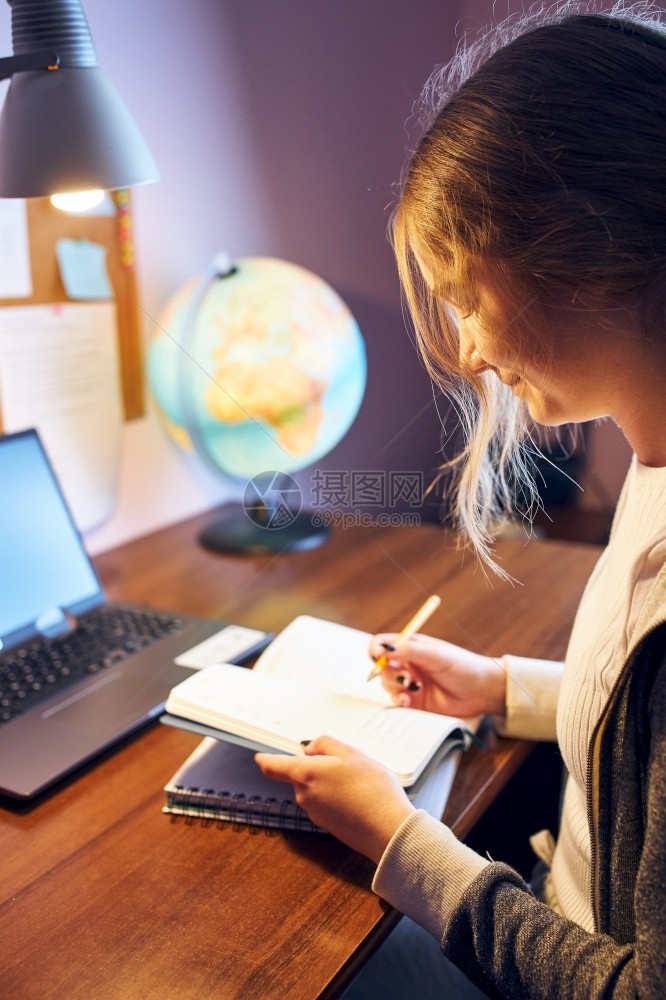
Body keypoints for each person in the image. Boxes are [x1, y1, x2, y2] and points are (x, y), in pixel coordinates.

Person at [256, 3, 666, 997]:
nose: (473, 349)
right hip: (546, 888)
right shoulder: (651, 463)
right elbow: (638, 724)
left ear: (586, 253)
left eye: (474, 300)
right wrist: (501, 686)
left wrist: (406, 842)